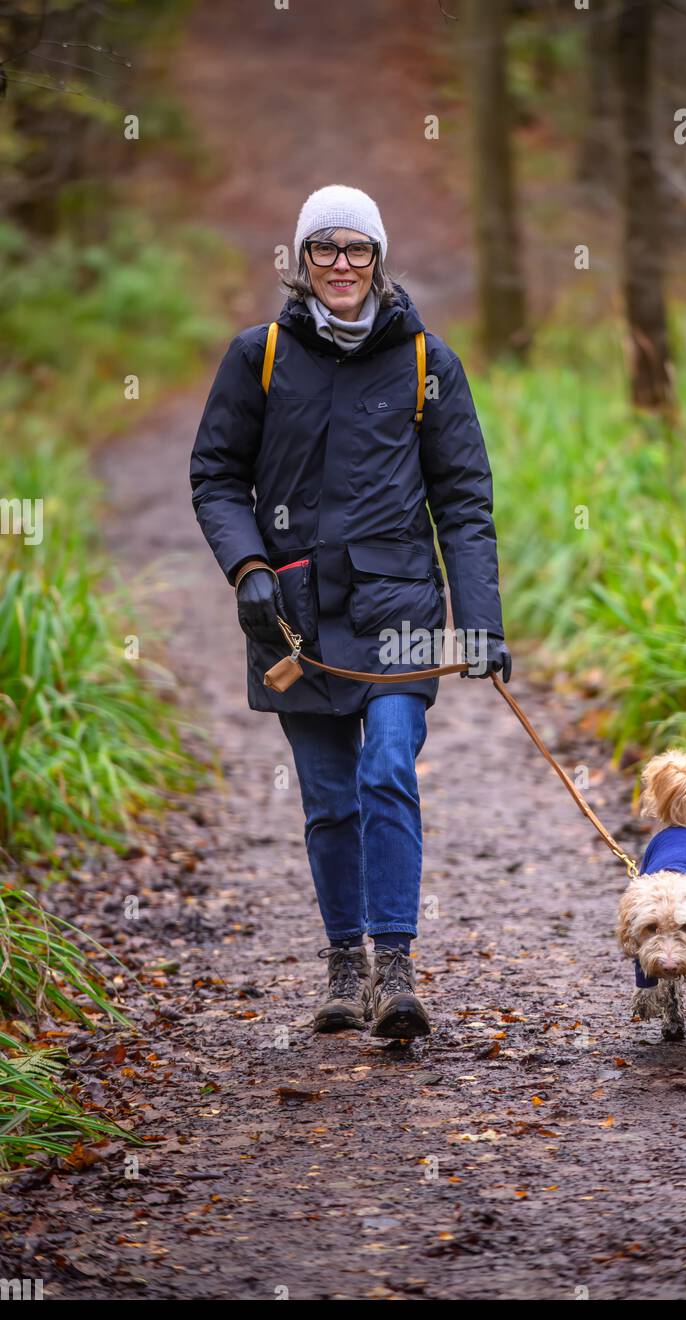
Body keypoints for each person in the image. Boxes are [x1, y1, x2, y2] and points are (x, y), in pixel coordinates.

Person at [190, 184, 510, 1039]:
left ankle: (396, 970)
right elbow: (216, 476)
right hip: (292, 619)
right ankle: (343, 968)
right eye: (324, 248)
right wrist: (247, 565)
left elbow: (464, 499)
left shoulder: (424, 363)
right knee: (329, 799)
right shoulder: (257, 357)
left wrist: (479, 621)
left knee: (388, 768)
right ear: (302, 262)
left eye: (356, 248)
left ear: (378, 259)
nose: (341, 263)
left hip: (400, 608)